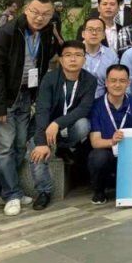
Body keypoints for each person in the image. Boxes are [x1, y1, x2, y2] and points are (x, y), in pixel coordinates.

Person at [0, 0, 59, 217]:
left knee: (19, 145)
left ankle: (4, 190)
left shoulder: (47, 32)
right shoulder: (8, 31)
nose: (40, 17)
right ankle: (11, 195)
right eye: (35, 12)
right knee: (5, 147)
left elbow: (49, 57)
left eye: (46, 14)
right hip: (5, 97)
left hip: (26, 94)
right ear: (26, 10)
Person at [28, 40, 97, 210]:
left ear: (84, 59)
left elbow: (83, 109)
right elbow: (42, 110)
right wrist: (41, 141)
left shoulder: (89, 80)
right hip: (44, 125)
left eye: (78, 55)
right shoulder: (50, 78)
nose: (73, 59)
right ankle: (44, 191)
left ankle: (63, 147)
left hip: (67, 125)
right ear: (60, 59)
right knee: (37, 152)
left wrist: (57, 123)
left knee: (84, 125)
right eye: (68, 55)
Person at [88, 65, 132, 204]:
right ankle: (99, 191)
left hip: (131, 154)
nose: (117, 85)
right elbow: (95, 142)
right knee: (98, 156)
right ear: (106, 82)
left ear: (128, 83)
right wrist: (112, 141)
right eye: (113, 81)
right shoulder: (96, 105)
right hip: (109, 153)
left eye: (122, 81)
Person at [81, 18, 120, 98]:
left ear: (103, 35)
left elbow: (113, 83)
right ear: (83, 34)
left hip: (101, 100)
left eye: (98, 30)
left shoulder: (111, 55)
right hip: (76, 100)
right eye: (90, 29)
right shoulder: (73, 53)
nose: (94, 33)